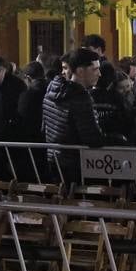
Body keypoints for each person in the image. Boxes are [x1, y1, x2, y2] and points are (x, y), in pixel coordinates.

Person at [41, 48, 107, 183]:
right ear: (80, 71)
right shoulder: (79, 97)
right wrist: (116, 140)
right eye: (95, 69)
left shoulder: (52, 89)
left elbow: (44, 128)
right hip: (75, 163)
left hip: (53, 159)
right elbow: (92, 137)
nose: (99, 74)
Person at [16, 60, 48, 143]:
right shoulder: (51, 90)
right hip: (48, 139)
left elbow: (22, 118)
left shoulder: (27, 95)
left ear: (28, 78)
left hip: (31, 140)